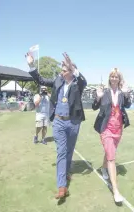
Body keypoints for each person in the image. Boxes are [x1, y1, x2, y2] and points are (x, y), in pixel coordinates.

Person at [26, 52, 87, 199]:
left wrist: (73, 68)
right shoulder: (57, 80)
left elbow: (84, 81)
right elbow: (40, 79)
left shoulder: (78, 84)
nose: (62, 71)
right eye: (62, 69)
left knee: (69, 151)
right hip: (58, 121)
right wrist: (31, 65)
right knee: (61, 151)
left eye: (65, 69)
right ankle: (61, 186)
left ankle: (65, 173)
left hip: (73, 122)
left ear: (72, 71)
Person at [92, 68, 131, 203]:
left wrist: (126, 93)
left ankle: (103, 168)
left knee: (110, 153)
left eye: (116, 77)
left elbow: (128, 104)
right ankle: (116, 191)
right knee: (112, 158)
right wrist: (98, 96)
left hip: (118, 128)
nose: (114, 79)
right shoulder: (105, 92)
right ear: (109, 78)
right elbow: (94, 107)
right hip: (106, 128)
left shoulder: (121, 93)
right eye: (112, 76)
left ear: (119, 79)